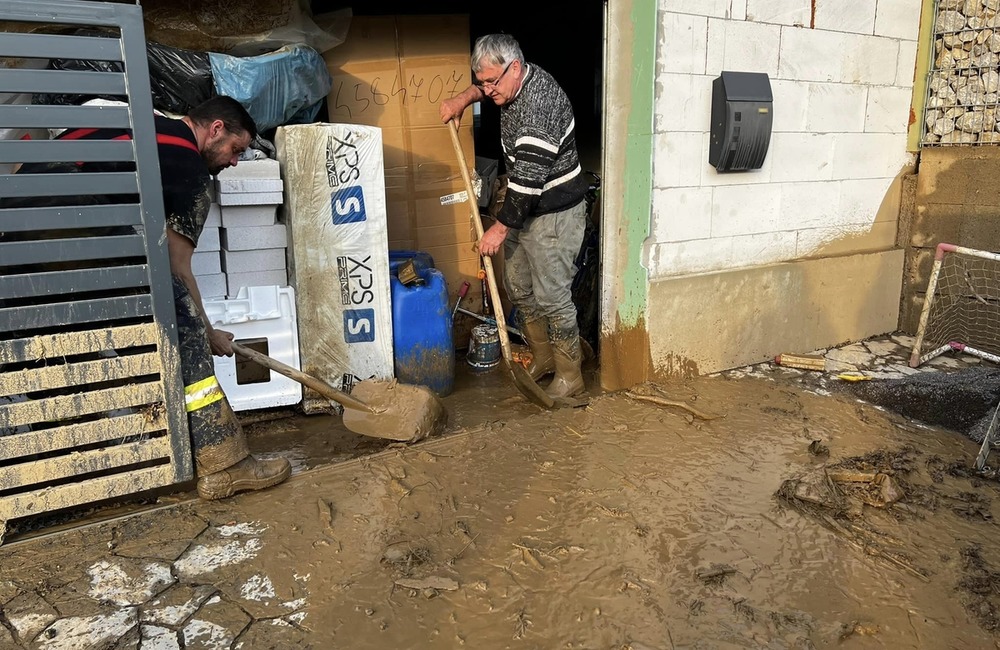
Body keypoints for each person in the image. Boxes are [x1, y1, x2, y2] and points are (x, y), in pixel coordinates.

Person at [1, 97, 291, 499]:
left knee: (55, 346)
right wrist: (205, 331)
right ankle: (225, 463)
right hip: (74, 225)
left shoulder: (134, 124)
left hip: (14, 238)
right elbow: (176, 265)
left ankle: (62, 470)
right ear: (216, 129)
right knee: (179, 321)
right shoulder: (188, 165)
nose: (234, 162)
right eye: (235, 150)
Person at [440, 34, 591, 398]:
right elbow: (487, 87)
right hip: (528, 208)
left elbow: (526, 183)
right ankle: (545, 358)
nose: (488, 90)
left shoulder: (539, 107)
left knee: (552, 295)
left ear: (516, 68)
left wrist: (498, 229)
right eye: (482, 82)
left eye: (492, 82)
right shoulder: (510, 84)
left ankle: (571, 376)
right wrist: (465, 97)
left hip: (554, 211)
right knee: (519, 286)